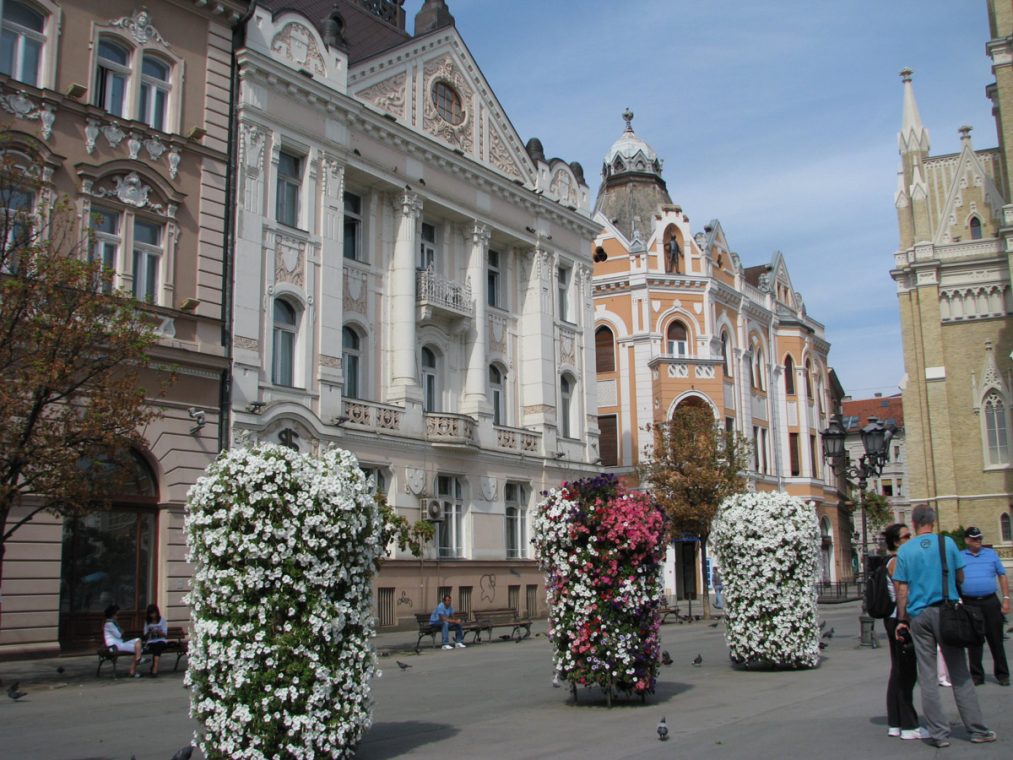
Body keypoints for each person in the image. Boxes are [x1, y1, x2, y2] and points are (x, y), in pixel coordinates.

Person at [893, 506, 996, 747]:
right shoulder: (947, 543)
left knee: (927, 675)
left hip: (919, 615)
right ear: (933, 521)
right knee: (959, 671)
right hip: (947, 611)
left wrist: (901, 620)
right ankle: (977, 729)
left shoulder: (906, 550)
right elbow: (961, 577)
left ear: (915, 522)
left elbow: (902, 589)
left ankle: (939, 734)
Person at [882, 523, 924, 740]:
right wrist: (904, 620)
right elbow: (902, 592)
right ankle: (908, 724)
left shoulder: (894, 560)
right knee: (906, 672)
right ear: (897, 542)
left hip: (894, 620)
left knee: (898, 670)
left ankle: (896, 723)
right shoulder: (897, 561)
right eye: (906, 536)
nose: (911, 538)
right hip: (899, 620)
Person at [959, 526, 1010, 686]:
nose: (978, 542)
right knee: (974, 640)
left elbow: (1002, 575)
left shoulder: (990, 555)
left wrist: (1006, 598)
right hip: (970, 603)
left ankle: (1002, 674)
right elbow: (955, 578)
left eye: (980, 538)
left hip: (990, 601)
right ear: (967, 540)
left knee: (996, 639)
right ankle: (977, 675)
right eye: (975, 539)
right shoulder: (960, 557)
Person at [103, 604, 143, 678]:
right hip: (114, 645)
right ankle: (133, 670)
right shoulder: (109, 624)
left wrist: (121, 631)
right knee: (138, 649)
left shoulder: (113, 623)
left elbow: (120, 633)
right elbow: (119, 635)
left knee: (138, 641)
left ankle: (138, 659)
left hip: (119, 642)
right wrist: (121, 631)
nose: (117, 617)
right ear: (112, 615)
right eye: (116, 615)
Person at [143, 604, 168, 677]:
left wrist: (158, 632)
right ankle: (155, 667)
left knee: (159, 645)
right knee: (155, 647)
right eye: (151, 614)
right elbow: (145, 635)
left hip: (161, 640)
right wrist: (150, 632)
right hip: (151, 642)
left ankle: (155, 668)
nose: (153, 615)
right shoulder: (147, 622)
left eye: (154, 613)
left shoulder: (162, 620)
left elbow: (165, 635)